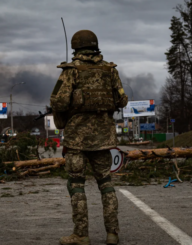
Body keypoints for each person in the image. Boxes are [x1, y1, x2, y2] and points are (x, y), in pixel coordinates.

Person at [50, 30, 128, 245]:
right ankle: (112, 233)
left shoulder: (71, 71)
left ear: (76, 47)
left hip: (77, 138)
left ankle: (81, 234)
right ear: (95, 46)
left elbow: (58, 101)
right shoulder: (110, 70)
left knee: (76, 184)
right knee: (106, 183)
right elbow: (122, 101)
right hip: (104, 136)